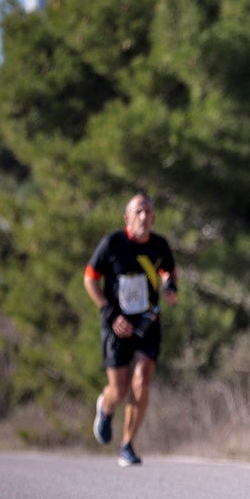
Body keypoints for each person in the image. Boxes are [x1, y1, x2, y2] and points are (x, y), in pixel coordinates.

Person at [84, 192, 178, 467]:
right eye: (138, 211)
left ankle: (127, 445)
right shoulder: (112, 244)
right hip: (117, 325)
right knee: (120, 389)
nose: (144, 216)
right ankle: (106, 405)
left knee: (142, 381)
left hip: (148, 322)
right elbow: (90, 280)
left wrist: (170, 286)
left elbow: (168, 270)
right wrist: (109, 311)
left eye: (148, 212)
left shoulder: (159, 245)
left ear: (153, 217)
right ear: (127, 217)